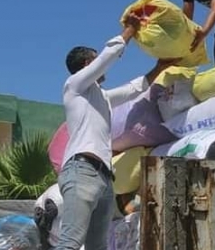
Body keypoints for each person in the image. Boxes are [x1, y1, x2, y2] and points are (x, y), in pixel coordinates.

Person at [55, 15, 176, 250]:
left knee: (97, 246)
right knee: (70, 242)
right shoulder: (74, 86)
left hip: (104, 177)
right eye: (93, 60)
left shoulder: (102, 97)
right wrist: (130, 29)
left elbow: (132, 89)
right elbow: (107, 58)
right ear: (86, 66)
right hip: (82, 170)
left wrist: (159, 68)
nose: (100, 65)